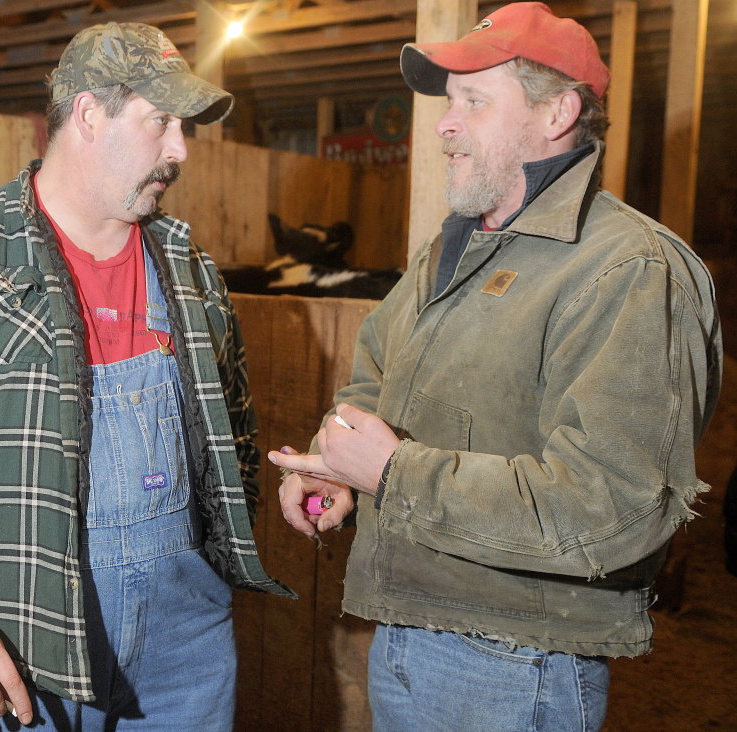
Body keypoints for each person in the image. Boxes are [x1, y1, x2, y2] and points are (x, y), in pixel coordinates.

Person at [269, 4, 721, 731]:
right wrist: (335, 461)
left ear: (557, 113)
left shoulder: (628, 269)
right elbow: (375, 378)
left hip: (516, 665)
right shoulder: (456, 249)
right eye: (450, 103)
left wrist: (393, 475)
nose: (445, 124)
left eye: (474, 101)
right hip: (411, 629)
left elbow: (615, 505)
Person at [0, 22, 292, 732]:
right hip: (8, 634)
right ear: (88, 114)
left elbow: (233, 425)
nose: (180, 151)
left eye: (184, 130)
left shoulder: (190, 266)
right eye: (161, 124)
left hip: (184, 646)